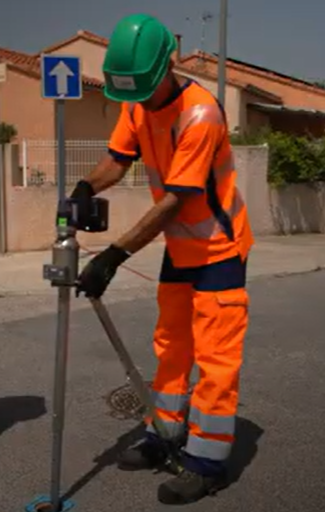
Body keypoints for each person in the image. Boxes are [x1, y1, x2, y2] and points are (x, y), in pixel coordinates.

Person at [71, 13, 254, 506]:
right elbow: (118, 157)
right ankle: (165, 432)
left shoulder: (200, 113)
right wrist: (87, 185)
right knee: (172, 345)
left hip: (219, 248)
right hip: (180, 248)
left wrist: (114, 254)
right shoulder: (137, 103)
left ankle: (207, 462)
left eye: (144, 90)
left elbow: (175, 199)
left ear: (166, 69)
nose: (139, 101)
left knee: (215, 357)